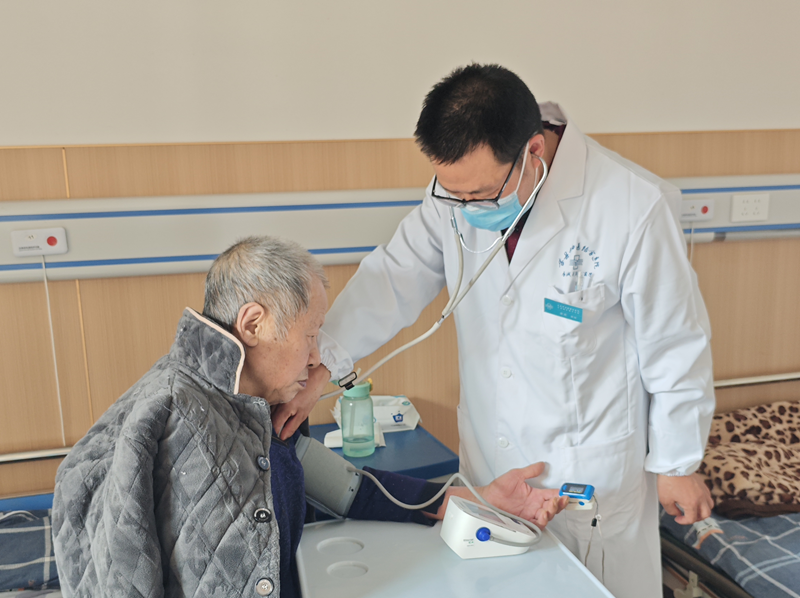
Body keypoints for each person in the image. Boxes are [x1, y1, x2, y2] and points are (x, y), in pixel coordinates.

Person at [272, 64, 716, 598]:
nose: (466, 209)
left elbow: (675, 344)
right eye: (452, 193)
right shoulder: (457, 195)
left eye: (481, 195)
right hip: (491, 471)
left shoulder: (632, 207)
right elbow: (391, 279)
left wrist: (675, 463)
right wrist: (319, 366)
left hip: (584, 479)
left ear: (533, 151)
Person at [51, 235, 567, 598]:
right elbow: (115, 571)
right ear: (254, 324)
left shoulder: (253, 412)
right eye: (311, 335)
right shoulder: (170, 415)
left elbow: (349, 488)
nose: (318, 357)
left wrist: (476, 499)